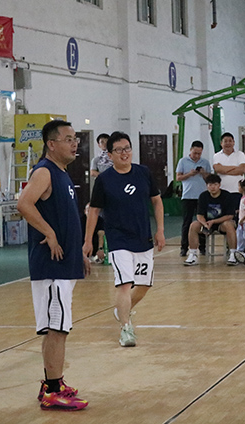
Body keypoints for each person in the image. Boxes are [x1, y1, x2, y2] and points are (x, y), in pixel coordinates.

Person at [17, 120, 90, 411]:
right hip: (51, 267)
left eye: (75, 139)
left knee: (58, 328)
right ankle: (52, 390)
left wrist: (79, 253)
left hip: (64, 264)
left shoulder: (61, 173)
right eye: (68, 139)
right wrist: (48, 232)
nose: (74, 143)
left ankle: (53, 383)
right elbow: (24, 204)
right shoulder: (44, 171)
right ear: (51, 144)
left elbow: (66, 219)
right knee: (56, 329)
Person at [83, 131, 165, 347]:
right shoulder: (104, 180)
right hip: (118, 238)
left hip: (143, 237)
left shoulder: (143, 173)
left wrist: (160, 230)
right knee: (124, 284)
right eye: (118, 150)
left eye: (127, 148)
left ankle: (122, 311)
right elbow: (94, 210)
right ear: (110, 155)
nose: (124, 153)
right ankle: (126, 328)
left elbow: (157, 201)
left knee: (144, 285)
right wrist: (88, 240)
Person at [184, 174, 245, 266]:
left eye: (215, 184)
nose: (213, 187)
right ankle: (193, 254)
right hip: (207, 223)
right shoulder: (203, 196)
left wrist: (214, 221)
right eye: (210, 185)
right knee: (194, 225)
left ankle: (233, 254)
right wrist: (204, 224)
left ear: (219, 185)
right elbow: (199, 215)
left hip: (222, 223)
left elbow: (229, 216)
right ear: (206, 186)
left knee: (229, 225)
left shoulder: (227, 196)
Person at [175, 140, 212, 256]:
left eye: (199, 153)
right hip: (188, 196)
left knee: (203, 222)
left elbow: (210, 179)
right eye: (195, 153)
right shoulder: (183, 161)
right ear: (190, 150)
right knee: (187, 222)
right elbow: (178, 178)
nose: (197, 155)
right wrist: (189, 174)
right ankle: (184, 247)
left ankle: (203, 247)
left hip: (202, 196)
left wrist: (203, 173)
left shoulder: (205, 162)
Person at [89, 133, 112, 262]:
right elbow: (92, 172)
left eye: (106, 141)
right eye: (102, 142)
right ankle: (100, 250)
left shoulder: (114, 157)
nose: (104, 144)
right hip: (101, 191)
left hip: (113, 191)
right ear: (98, 144)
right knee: (101, 222)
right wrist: (105, 176)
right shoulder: (96, 160)